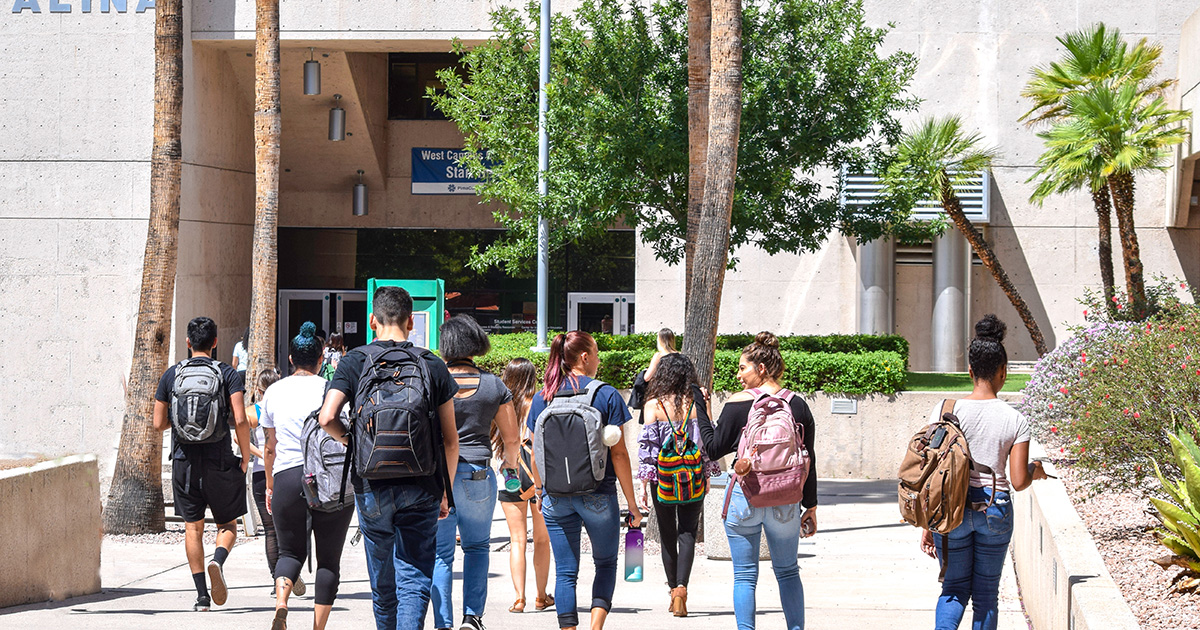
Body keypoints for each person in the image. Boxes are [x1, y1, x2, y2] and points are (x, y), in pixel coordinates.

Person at [317, 286, 460, 630]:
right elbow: (451, 440)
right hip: (422, 483)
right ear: (412, 322)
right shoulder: (432, 364)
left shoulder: (355, 361)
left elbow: (326, 418)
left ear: (372, 321)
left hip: (371, 484)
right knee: (413, 578)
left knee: (383, 585)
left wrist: (353, 439)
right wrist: (445, 491)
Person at [919, 315, 1048, 630]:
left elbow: (931, 471)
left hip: (951, 510)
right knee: (986, 595)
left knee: (953, 589)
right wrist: (1036, 470)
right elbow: (1018, 481)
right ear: (1003, 372)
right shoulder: (1014, 419)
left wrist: (928, 523)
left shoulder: (944, 410)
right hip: (995, 507)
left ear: (970, 371)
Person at [696, 331, 817, 630]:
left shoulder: (738, 404)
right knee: (788, 572)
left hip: (744, 499)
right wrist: (811, 506)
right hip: (786, 500)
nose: (738, 375)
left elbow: (712, 448)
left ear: (760, 368)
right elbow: (808, 459)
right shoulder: (797, 404)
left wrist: (700, 406)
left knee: (745, 576)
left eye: (742, 368)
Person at [528, 331, 642, 630]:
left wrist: (540, 491)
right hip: (598, 494)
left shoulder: (544, 397)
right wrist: (632, 505)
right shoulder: (605, 394)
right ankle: (595, 627)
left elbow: (533, 454)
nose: (599, 359)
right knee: (605, 563)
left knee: (565, 571)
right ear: (585, 357)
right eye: (596, 352)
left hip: (555, 497)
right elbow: (619, 455)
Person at [151, 316, 252, 612]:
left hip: (184, 462)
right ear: (216, 343)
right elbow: (241, 419)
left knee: (192, 529)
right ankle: (217, 561)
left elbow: (158, 424)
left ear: (187, 342)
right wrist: (245, 456)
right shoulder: (227, 373)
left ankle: (202, 597)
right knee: (228, 524)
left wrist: (181, 424)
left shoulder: (172, 375)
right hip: (219, 459)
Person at [261, 323, 354, 630]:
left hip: (287, 476)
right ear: (320, 360)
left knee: (289, 551)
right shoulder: (331, 389)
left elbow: (270, 446)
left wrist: (270, 487)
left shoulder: (273, 391)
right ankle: (318, 627)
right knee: (328, 560)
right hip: (328, 480)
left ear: (290, 359)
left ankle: (281, 603)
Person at [431, 316, 521, 630]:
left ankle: (443, 623)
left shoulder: (435, 380)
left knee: (441, 553)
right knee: (477, 546)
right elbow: (511, 438)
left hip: (439, 477)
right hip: (477, 475)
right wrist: (510, 466)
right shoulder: (494, 384)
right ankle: (472, 617)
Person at [636, 353, 719, 617]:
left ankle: (672, 589)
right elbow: (707, 441)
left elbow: (647, 451)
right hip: (692, 478)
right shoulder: (698, 402)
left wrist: (643, 486)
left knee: (667, 535)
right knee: (688, 533)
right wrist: (707, 475)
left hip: (663, 480)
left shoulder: (653, 405)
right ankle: (682, 587)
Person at [496, 358, 554, 615]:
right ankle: (541, 597)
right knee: (542, 539)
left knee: (517, 539)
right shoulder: (539, 402)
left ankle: (519, 599)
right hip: (537, 475)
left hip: (510, 473)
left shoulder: (500, 404)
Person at [234, 367, 296, 595]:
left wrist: (257, 454)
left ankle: (276, 581)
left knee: (270, 531)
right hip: (286, 470)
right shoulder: (285, 407)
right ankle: (289, 574)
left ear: (258, 390)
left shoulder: (254, 411)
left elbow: (236, 434)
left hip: (261, 474)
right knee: (288, 528)